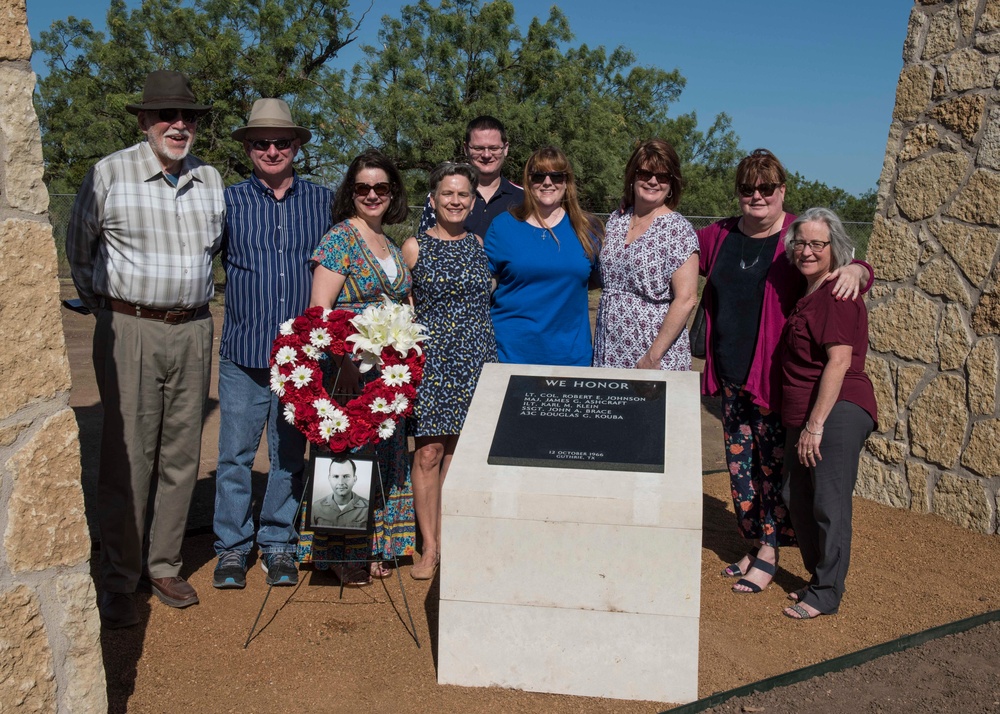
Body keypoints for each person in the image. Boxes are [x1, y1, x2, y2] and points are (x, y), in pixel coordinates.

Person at [66, 70, 224, 627]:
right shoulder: (110, 173)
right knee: (127, 454)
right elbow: (79, 251)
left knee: (182, 454)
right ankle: (118, 574)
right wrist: (110, 310)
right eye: (166, 116)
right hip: (129, 327)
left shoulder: (210, 180)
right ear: (144, 121)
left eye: (188, 117)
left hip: (195, 327)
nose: (179, 125)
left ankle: (163, 564)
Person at [697, 149, 873, 595]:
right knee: (741, 470)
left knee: (774, 473)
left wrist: (860, 268)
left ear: (782, 191)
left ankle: (771, 554)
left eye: (766, 188)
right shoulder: (718, 235)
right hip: (730, 375)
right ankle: (755, 542)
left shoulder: (795, 237)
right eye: (746, 188)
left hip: (775, 381)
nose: (756, 196)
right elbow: (672, 245)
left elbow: (841, 263)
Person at [212, 99, 334, 590]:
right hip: (244, 350)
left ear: (296, 146)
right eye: (260, 142)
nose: (271, 149)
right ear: (247, 147)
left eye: (281, 142)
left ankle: (278, 542)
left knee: (288, 455)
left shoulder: (324, 201)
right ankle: (232, 549)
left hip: (302, 358)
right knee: (235, 456)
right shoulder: (227, 201)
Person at [307, 149, 414, 584]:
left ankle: (378, 545)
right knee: (347, 456)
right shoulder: (339, 239)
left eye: (381, 187)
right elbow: (319, 308)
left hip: (388, 369)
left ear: (392, 193)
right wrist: (345, 361)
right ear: (351, 192)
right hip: (348, 366)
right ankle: (341, 552)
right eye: (363, 187)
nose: (372, 195)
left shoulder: (389, 243)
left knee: (384, 451)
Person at [778, 208, 877, 619]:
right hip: (806, 411)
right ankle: (818, 578)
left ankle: (827, 592)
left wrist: (816, 426)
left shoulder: (836, 295)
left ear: (834, 248)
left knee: (828, 503)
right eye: (801, 242)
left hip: (836, 409)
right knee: (793, 494)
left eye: (817, 244)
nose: (807, 251)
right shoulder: (811, 292)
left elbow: (838, 361)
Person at [402, 162, 497, 580]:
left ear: (473, 201)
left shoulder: (479, 243)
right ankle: (429, 546)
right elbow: (402, 308)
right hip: (433, 361)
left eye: (463, 195)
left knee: (459, 455)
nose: (455, 201)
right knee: (428, 453)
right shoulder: (413, 247)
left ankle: (452, 538)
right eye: (447, 193)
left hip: (476, 359)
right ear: (433, 198)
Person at [484, 146, 603, 366]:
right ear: (528, 181)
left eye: (556, 175)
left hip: (571, 357)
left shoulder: (588, 229)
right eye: (539, 175)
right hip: (510, 354)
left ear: (567, 181)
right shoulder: (503, 226)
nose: (547, 182)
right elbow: (485, 285)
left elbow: (597, 280)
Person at [593, 139, 699, 370]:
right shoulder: (616, 220)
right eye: (645, 173)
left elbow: (687, 298)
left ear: (672, 184)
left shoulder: (678, 230)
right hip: (609, 345)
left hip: (652, 352)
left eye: (662, 176)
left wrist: (653, 356)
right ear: (633, 176)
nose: (653, 181)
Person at [417, 115, 523, 236]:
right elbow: (424, 246)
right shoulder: (442, 197)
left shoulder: (525, 198)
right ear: (466, 149)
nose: (486, 155)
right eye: (478, 148)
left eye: (494, 148)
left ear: (505, 149)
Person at [312, 459, 370, 529]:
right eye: (336, 476)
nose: (341, 482)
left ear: (354, 479)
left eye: (346, 476)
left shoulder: (367, 508)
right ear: (329, 479)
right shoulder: (316, 507)